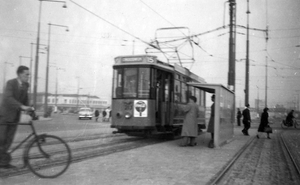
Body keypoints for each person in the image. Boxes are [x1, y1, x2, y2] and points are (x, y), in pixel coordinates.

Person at [0, 66, 33, 169]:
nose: (28, 76)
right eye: (26, 74)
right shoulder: (11, 83)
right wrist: (21, 106)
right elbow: (8, 98)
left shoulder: (26, 85)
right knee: (1, 139)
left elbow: (25, 100)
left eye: (29, 74)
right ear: (19, 74)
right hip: (5, 116)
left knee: (8, 141)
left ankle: (3, 162)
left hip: (15, 118)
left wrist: (31, 111)